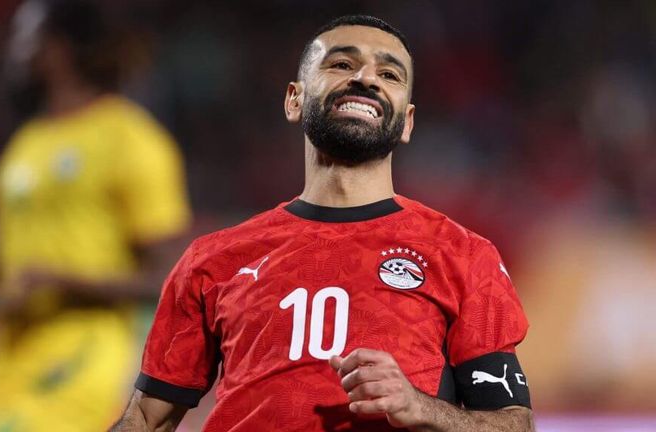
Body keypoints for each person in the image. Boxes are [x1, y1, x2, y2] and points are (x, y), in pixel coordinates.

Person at [112, 15, 533, 432]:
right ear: (294, 100)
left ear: (406, 123)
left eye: (388, 73)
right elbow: (146, 418)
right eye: (342, 64)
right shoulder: (213, 260)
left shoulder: (462, 255)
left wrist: (421, 407)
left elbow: (513, 425)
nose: (366, 78)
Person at [0, 0, 192, 431]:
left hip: (81, 353)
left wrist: (62, 282)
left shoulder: (130, 138)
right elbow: (7, 269)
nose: (13, 51)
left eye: (23, 37)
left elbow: (171, 279)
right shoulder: (26, 145)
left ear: (59, 48)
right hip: (6, 354)